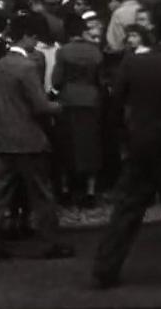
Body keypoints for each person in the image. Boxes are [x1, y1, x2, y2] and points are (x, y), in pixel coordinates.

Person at [92, 10, 161, 288]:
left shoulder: (132, 63)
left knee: (127, 209)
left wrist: (124, 136)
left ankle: (106, 267)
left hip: (139, 142)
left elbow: (115, 107)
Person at [0, 14, 74, 261]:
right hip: (30, 138)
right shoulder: (27, 67)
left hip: (4, 136)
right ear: (27, 37)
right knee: (42, 194)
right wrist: (60, 106)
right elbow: (40, 105)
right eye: (34, 38)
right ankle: (51, 242)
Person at [52, 15, 103, 206]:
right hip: (91, 99)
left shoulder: (63, 52)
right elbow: (100, 79)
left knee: (68, 144)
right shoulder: (95, 52)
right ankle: (90, 191)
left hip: (69, 99)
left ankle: (66, 188)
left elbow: (57, 80)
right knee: (91, 145)